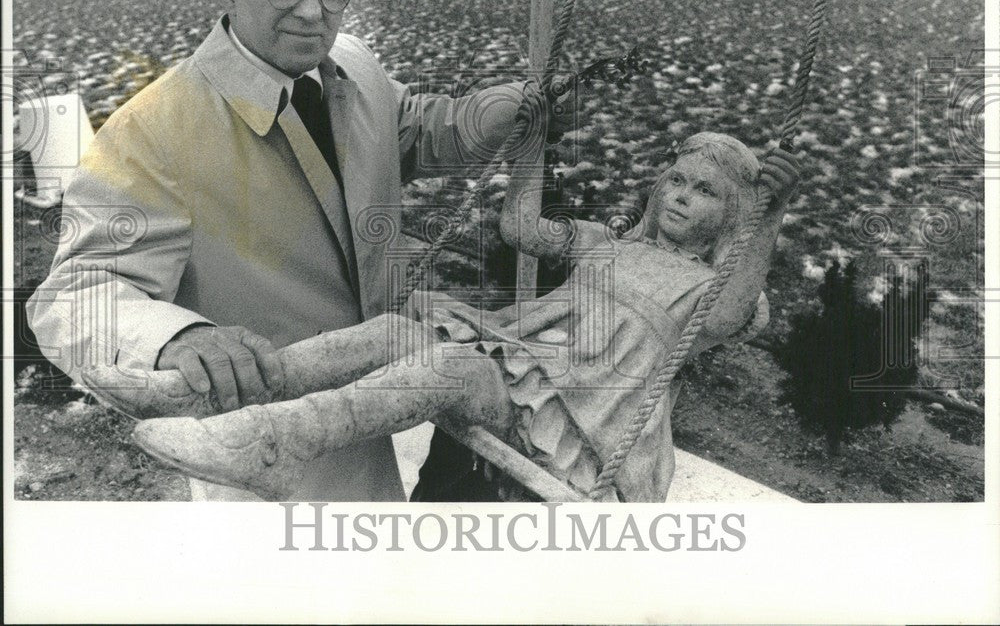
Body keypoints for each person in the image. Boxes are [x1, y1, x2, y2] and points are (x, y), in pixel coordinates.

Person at [26, 0, 551, 501]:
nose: (312, 9)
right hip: (261, 452)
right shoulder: (155, 129)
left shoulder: (352, 66)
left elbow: (406, 130)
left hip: (370, 406)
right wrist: (175, 337)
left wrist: (487, 114)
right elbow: (73, 297)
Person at [131, 132, 801, 502]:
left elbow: (737, 310)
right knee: (395, 331)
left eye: (705, 192)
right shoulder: (609, 241)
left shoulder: (708, 289)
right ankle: (215, 388)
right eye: (676, 181)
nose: (682, 197)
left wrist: (768, 221)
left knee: (448, 367)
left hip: (575, 434)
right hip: (518, 367)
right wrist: (531, 145)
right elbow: (520, 226)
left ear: (732, 216)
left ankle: (278, 444)